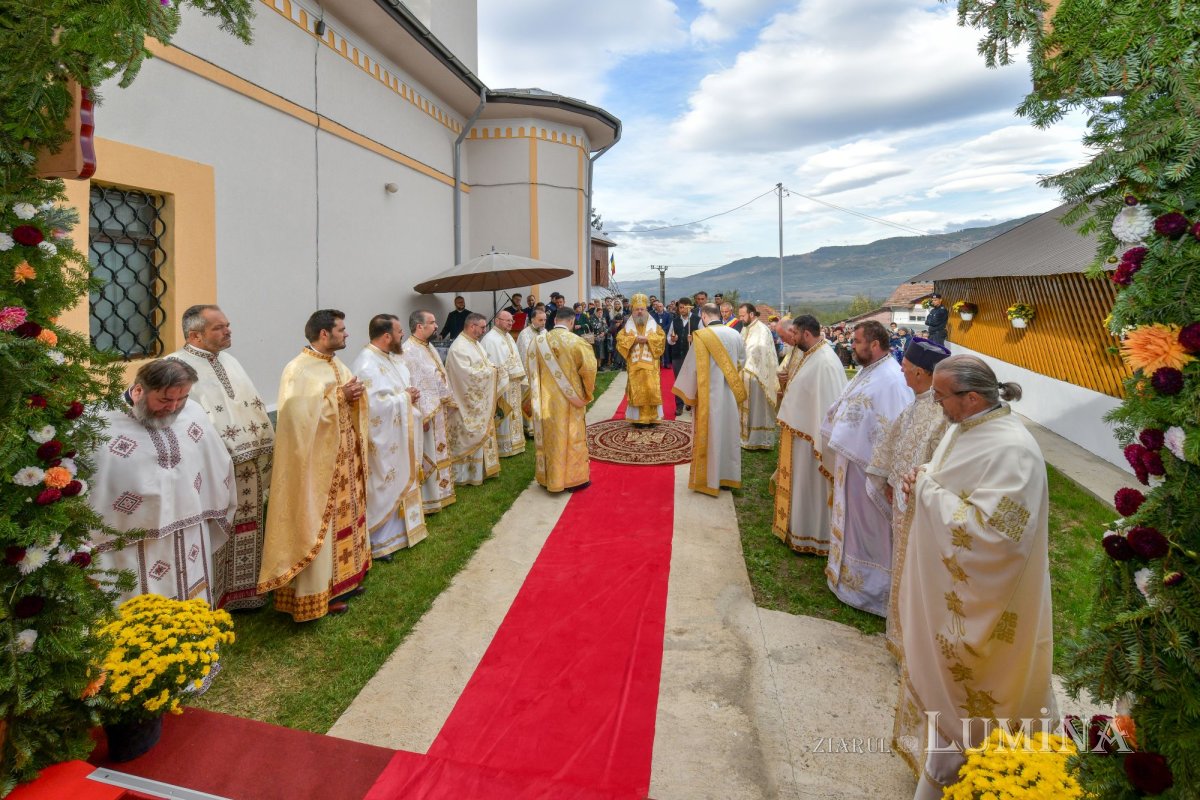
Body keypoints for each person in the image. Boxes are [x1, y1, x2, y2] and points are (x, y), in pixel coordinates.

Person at [893, 355, 1055, 799]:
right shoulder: (966, 427)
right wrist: (925, 476)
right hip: (952, 595)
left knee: (974, 702)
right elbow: (950, 482)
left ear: (971, 397)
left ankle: (973, 779)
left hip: (985, 605)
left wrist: (926, 489)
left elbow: (997, 536)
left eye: (941, 396)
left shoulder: (1013, 450)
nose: (936, 404)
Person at [89, 359, 236, 607]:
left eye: (182, 399)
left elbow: (215, 463)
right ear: (138, 391)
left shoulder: (193, 414)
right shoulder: (99, 422)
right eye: (165, 400)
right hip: (128, 541)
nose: (174, 407)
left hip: (189, 533)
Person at [258, 310, 369, 621]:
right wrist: (340, 398)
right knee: (320, 521)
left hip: (344, 459)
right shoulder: (298, 370)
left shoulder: (336, 363)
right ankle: (317, 590)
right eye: (341, 330)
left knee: (345, 521)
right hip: (318, 467)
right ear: (324, 334)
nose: (347, 334)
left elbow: (348, 395)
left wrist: (356, 395)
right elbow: (297, 419)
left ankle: (344, 581)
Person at [168, 305, 274, 610]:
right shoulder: (175, 366)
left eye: (228, 325)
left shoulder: (230, 361)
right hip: (210, 471)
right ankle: (210, 599)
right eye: (219, 327)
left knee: (248, 525)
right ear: (195, 335)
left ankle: (246, 593)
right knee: (215, 531)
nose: (228, 331)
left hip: (248, 467)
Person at [865, 337, 951, 658]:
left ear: (919, 373)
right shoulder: (919, 400)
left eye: (905, 368)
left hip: (923, 510)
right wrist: (889, 478)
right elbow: (896, 442)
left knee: (916, 577)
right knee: (903, 570)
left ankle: (913, 647)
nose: (901, 373)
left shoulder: (941, 411)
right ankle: (899, 638)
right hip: (905, 505)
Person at [820, 320, 913, 616]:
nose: (852, 346)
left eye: (857, 341)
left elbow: (897, 430)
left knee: (871, 530)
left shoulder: (892, 380)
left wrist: (885, 474)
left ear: (874, 345)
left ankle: (875, 592)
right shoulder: (868, 370)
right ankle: (847, 580)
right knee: (853, 523)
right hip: (853, 463)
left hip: (871, 470)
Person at [351, 314, 427, 559]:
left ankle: (403, 531)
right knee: (383, 483)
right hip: (383, 439)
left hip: (400, 433)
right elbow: (373, 406)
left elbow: (397, 389)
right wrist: (405, 397)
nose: (402, 334)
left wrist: (408, 394)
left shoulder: (388, 358)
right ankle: (380, 539)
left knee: (400, 477)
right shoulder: (366, 364)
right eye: (399, 331)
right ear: (386, 336)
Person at [772, 315, 847, 555]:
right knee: (802, 488)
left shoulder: (825, 361)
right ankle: (799, 529)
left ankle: (814, 536)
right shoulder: (811, 354)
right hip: (802, 434)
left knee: (811, 488)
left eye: (793, 333)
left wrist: (818, 439)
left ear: (806, 334)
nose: (791, 338)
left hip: (812, 439)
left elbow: (826, 405)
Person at [672, 303, 746, 495]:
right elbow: (741, 363)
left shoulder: (701, 337)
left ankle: (710, 479)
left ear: (704, 316)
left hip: (708, 397)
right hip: (729, 395)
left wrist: (688, 395)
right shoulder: (735, 334)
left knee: (711, 435)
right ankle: (728, 477)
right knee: (728, 434)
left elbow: (692, 368)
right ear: (718, 315)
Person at [525, 305, 597, 492]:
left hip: (544, 400)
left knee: (550, 438)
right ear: (572, 322)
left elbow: (530, 371)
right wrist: (587, 393)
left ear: (555, 320)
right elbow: (589, 370)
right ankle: (573, 479)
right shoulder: (577, 342)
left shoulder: (536, 342)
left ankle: (547, 478)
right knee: (571, 436)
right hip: (569, 401)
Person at [399, 310, 457, 514]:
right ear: (419, 326)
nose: (436, 325)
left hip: (437, 408)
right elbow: (412, 383)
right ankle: (430, 498)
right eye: (432, 322)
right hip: (426, 413)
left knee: (439, 449)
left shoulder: (428, 345)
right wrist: (420, 413)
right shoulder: (408, 351)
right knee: (429, 454)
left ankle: (442, 492)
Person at [444, 312, 501, 484]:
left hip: (478, 400)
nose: (484, 330)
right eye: (482, 327)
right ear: (471, 326)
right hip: (466, 401)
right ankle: (466, 475)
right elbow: (466, 376)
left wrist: (491, 368)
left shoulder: (474, 343)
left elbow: (485, 362)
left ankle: (481, 470)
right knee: (467, 433)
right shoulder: (459, 348)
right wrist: (492, 372)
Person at [481, 309, 527, 457]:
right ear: (497, 320)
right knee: (505, 414)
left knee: (514, 413)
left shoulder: (507, 336)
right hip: (503, 384)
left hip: (513, 383)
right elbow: (494, 362)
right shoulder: (490, 339)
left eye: (511, 320)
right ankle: (504, 447)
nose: (510, 323)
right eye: (507, 320)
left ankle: (516, 443)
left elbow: (515, 357)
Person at [615, 293, 666, 426]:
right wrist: (634, 339)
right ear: (632, 309)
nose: (639, 312)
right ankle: (638, 419)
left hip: (651, 365)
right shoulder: (628, 325)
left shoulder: (654, 324)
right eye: (636, 309)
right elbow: (620, 340)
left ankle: (653, 418)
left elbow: (661, 338)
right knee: (637, 389)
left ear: (646, 309)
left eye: (642, 309)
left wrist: (648, 339)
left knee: (651, 389)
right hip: (635, 364)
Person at [738, 302, 779, 450]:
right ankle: (745, 437)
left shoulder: (762, 330)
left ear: (751, 314)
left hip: (758, 376)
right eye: (739, 315)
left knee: (757, 409)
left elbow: (759, 352)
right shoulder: (746, 328)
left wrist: (744, 362)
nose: (740, 318)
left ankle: (758, 440)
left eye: (743, 315)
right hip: (746, 374)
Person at [517, 306, 548, 435]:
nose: (543, 322)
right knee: (530, 400)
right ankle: (530, 428)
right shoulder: (524, 334)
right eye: (540, 320)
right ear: (532, 319)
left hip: (543, 373)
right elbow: (525, 355)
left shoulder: (545, 332)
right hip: (530, 374)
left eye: (545, 320)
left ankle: (543, 424)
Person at [667, 297, 694, 415]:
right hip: (677, 355)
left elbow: (704, 338)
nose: (681, 310)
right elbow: (669, 338)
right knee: (678, 381)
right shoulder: (675, 321)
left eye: (683, 307)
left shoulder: (697, 320)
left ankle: (690, 403)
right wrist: (673, 339)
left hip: (692, 355)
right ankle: (679, 405)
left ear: (689, 307)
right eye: (680, 308)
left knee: (691, 380)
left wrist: (693, 339)